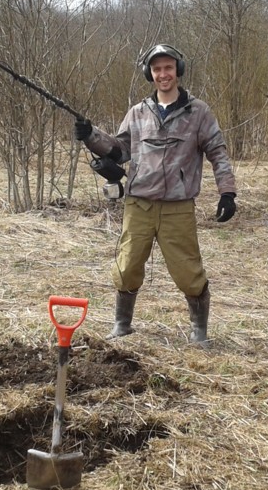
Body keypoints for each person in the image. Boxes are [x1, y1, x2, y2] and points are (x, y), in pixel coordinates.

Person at [74, 44, 238, 345]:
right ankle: (122, 325)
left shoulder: (199, 112)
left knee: (188, 272)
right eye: (157, 69)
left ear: (178, 71)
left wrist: (227, 192)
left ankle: (199, 332)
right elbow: (119, 150)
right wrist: (91, 136)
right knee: (126, 266)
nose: (163, 74)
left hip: (178, 207)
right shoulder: (138, 113)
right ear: (149, 74)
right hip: (139, 205)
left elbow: (218, 152)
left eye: (168, 68)